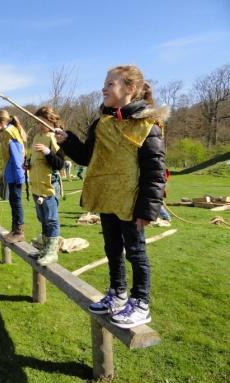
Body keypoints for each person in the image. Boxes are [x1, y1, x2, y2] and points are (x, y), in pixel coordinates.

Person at [55, 65, 167, 328]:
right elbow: (85, 157)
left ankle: (141, 302)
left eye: (110, 84)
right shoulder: (101, 123)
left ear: (130, 89)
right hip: (107, 198)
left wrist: (147, 209)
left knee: (136, 252)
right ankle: (118, 294)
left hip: (131, 202)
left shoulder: (147, 125)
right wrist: (67, 140)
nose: (103, 88)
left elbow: (155, 171)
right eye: (104, 84)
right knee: (112, 249)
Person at [29, 106, 64, 266]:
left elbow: (59, 164)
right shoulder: (36, 136)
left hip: (49, 186)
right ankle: (44, 248)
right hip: (36, 186)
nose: (39, 125)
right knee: (42, 218)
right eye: (37, 122)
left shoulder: (56, 137)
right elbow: (34, 159)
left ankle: (52, 252)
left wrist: (47, 152)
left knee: (51, 220)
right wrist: (27, 165)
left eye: (41, 121)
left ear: (50, 120)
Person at [0, 110, 27, 243]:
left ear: (1, 123)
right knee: (13, 201)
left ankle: (19, 232)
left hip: (16, 174)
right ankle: (14, 230)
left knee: (16, 201)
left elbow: (18, 156)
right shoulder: (6, 133)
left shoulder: (10, 133)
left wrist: (19, 176)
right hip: (11, 173)